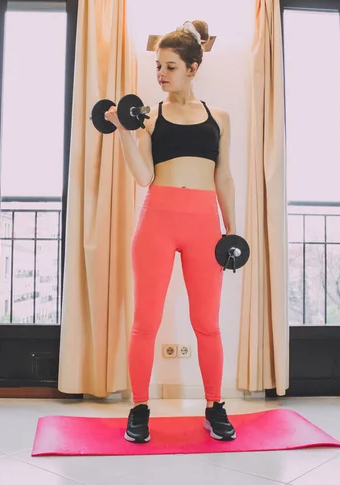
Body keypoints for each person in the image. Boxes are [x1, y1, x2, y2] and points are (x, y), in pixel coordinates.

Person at [104, 20, 237, 444]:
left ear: (193, 68)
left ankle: (215, 406)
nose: (161, 74)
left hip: (204, 226)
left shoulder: (219, 117)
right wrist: (126, 133)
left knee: (207, 325)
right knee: (145, 323)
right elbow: (144, 176)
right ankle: (139, 407)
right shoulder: (150, 116)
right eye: (158, 66)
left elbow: (225, 177)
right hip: (157, 221)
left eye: (171, 66)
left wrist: (231, 229)